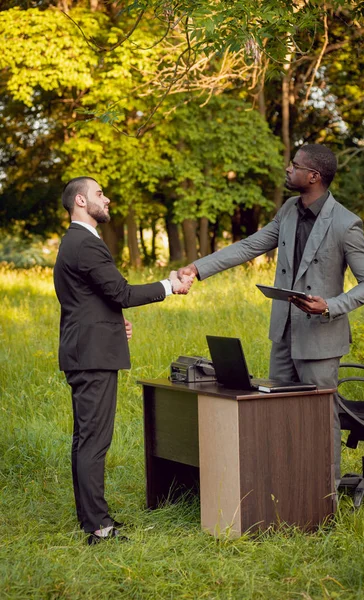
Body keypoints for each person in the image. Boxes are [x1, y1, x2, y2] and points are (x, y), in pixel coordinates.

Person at [177, 144, 364, 482]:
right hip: (284, 334)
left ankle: (324, 494)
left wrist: (331, 305)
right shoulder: (288, 209)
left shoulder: (346, 224)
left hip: (320, 339)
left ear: (313, 176)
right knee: (279, 414)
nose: (288, 169)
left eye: (295, 165)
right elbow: (249, 246)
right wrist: (198, 269)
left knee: (319, 419)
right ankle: (287, 488)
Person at [54, 176, 193, 545]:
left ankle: (92, 519)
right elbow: (120, 291)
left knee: (86, 439)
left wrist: (114, 324)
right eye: (100, 194)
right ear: (81, 201)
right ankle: (99, 527)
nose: (108, 198)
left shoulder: (75, 242)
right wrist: (170, 286)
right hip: (91, 357)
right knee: (94, 441)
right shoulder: (85, 244)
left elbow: (88, 300)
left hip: (88, 349)